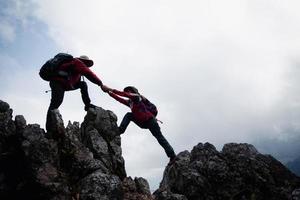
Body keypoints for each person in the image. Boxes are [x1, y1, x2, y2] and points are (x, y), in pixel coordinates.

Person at [107, 86, 176, 163]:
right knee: (129, 115)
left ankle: (172, 155)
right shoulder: (130, 102)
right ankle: (120, 130)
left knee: (159, 137)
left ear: (133, 92)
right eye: (127, 91)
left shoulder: (137, 97)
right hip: (142, 123)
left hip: (150, 121)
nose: (127, 92)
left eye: (129, 91)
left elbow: (124, 95)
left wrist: (110, 89)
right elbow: (120, 99)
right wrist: (109, 93)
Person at [46, 55, 108, 132]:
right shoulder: (77, 62)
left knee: (83, 84)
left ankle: (87, 105)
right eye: (87, 64)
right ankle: (49, 128)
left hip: (65, 84)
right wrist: (101, 84)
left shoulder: (78, 71)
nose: (87, 66)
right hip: (57, 82)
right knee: (56, 102)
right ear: (83, 61)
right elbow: (89, 73)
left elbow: (77, 78)